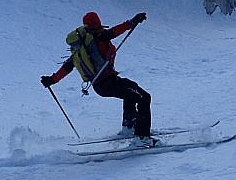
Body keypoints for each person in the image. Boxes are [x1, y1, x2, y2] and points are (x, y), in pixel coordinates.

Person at [41, 11, 153, 144]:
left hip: (100, 85)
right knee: (144, 98)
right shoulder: (99, 36)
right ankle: (142, 138)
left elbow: (68, 67)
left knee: (130, 88)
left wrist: (52, 80)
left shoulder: (84, 48)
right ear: (98, 22)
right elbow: (114, 32)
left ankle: (129, 127)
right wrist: (132, 22)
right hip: (109, 83)